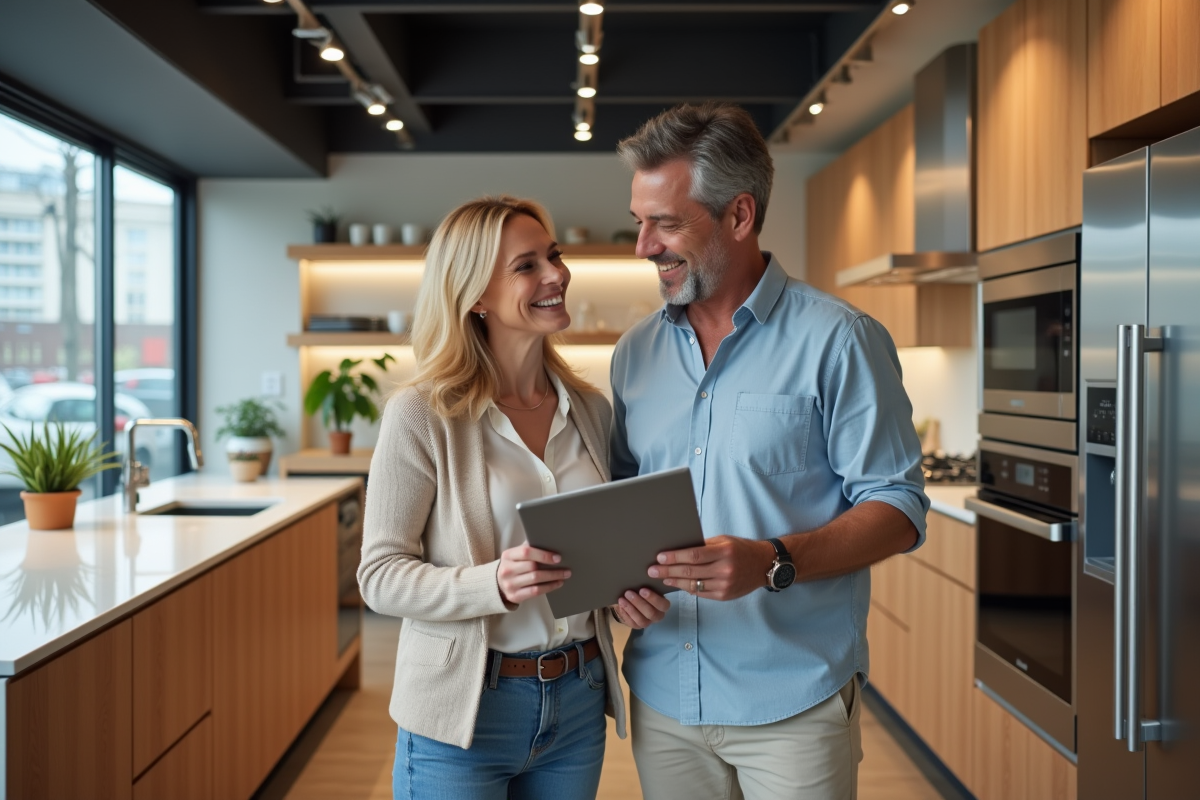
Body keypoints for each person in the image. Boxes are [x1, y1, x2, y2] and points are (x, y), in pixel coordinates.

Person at [608, 103, 930, 799]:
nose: (643, 247)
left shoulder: (840, 340)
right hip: (665, 696)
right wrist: (621, 589)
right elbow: (624, 503)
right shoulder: (634, 354)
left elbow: (899, 507)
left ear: (739, 215)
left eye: (666, 223)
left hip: (794, 705)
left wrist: (773, 561)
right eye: (639, 222)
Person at [358, 196, 668, 800]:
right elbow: (379, 576)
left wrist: (627, 596)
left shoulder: (591, 410)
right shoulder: (421, 414)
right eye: (527, 266)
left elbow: (601, 553)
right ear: (476, 294)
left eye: (554, 255)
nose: (556, 275)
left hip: (577, 701)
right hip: (465, 713)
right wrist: (492, 583)